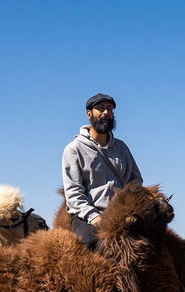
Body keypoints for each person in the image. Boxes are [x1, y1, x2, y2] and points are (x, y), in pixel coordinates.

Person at [61, 92, 143, 246]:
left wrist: (131, 208)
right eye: (100, 108)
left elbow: (135, 181)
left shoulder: (121, 147)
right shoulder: (74, 149)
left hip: (122, 213)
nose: (106, 112)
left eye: (110, 109)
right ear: (89, 114)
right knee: (90, 244)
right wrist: (93, 217)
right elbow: (73, 193)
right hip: (89, 215)